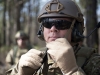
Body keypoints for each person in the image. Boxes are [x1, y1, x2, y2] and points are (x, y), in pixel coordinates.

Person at [6, 0, 100, 75]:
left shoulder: (93, 61)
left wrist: (72, 71)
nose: (53, 29)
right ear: (42, 29)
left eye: (61, 24)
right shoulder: (33, 57)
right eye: (47, 23)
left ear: (76, 29)